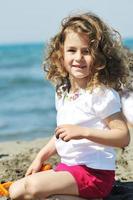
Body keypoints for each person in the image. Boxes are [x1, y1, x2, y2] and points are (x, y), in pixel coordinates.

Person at [9, 12, 130, 200]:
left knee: (32, 187)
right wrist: (40, 157)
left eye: (86, 51)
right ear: (61, 54)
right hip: (68, 168)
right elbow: (62, 132)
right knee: (15, 190)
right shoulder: (63, 91)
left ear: (99, 57)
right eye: (72, 50)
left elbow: (123, 137)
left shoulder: (101, 93)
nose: (79, 57)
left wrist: (82, 132)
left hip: (94, 174)